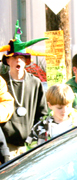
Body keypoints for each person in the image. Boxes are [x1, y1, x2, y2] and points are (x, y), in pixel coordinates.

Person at [0, 21, 48, 158]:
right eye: (14, 58)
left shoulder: (35, 82)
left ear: (26, 61)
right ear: (8, 61)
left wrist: (36, 141)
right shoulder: (1, 82)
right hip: (6, 145)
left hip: (29, 146)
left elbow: (42, 113)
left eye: (21, 58)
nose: (18, 61)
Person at [25, 84, 77, 149]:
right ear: (50, 105)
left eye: (68, 106)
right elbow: (30, 150)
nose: (64, 111)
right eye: (59, 108)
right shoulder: (40, 128)